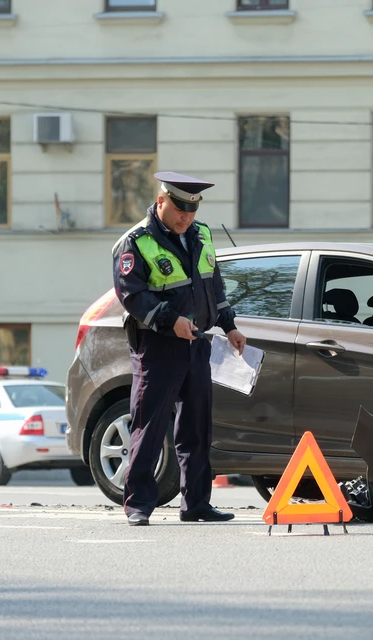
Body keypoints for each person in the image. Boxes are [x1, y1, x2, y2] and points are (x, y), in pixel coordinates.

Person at [111, 171, 247, 527]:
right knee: (150, 426)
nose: (186, 218)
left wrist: (229, 325)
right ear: (161, 201)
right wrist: (171, 321)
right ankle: (138, 504)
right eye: (179, 210)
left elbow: (213, 286)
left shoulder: (201, 234)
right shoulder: (136, 242)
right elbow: (132, 294)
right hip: (158, 347)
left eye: (191, 211)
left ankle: (197, 504)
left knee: (197, 426)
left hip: (198, 344)